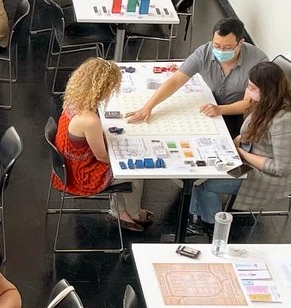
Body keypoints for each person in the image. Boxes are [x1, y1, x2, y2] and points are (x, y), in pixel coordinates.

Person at [188, 60, 291, 231]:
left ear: (268, 91)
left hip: (274, 177)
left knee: (206, 184)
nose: (248, 91)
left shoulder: (286, 121)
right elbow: (251, 129)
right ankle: (197, 218)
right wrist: (236, 141)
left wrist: (241, 154)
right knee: (202, 173)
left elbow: (281, 168)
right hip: (252, 156)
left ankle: (213, 228)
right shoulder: (266, 103)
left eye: (252, 88)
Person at [126, 17, 267, 137]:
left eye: (228, 47)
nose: (221, 51)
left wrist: (220, 109)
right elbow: (175, 81)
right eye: (216, 45)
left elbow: (252, 103)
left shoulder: (258, 62)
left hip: (241, 117)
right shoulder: (204, 53)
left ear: (240, 43)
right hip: (211, 104)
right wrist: (148, 107)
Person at [53, 58, 150, 231]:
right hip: (82, 175)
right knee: (136, 173)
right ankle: (132, 213)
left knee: (122, 169)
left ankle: (120, 211)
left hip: (69, 167)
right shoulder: (90, 120)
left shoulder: (73, 102)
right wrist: (127, 155)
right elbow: (102, 157)